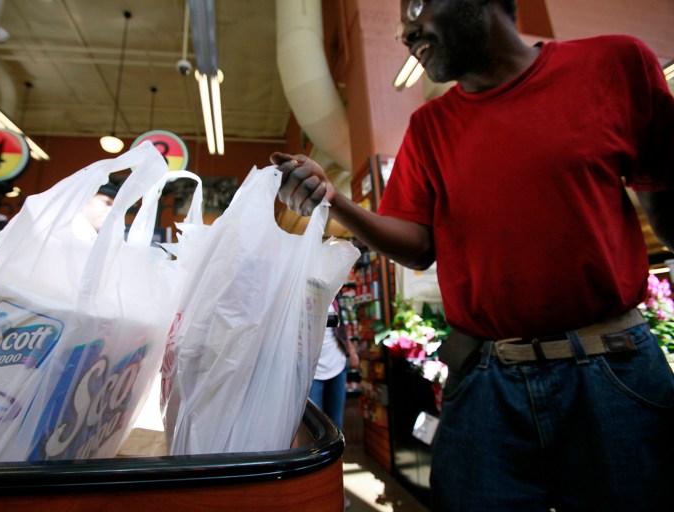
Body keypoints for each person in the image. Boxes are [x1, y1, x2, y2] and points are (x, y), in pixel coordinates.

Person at [270, 0, 674, 510]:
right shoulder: (429, 128)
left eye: (415, 5)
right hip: (486, 382)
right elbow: (417, 249)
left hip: (612, 372)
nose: (403, 30)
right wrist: (335, 202)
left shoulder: (615, 65)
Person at [309, 300, 360, 430]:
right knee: (314, 425)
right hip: (312, 372)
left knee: (336, 424)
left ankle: (338, 451)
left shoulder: (333, 296)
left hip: (337, 366)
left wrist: (352, 352)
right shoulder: (298, 295)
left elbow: (340, 328)